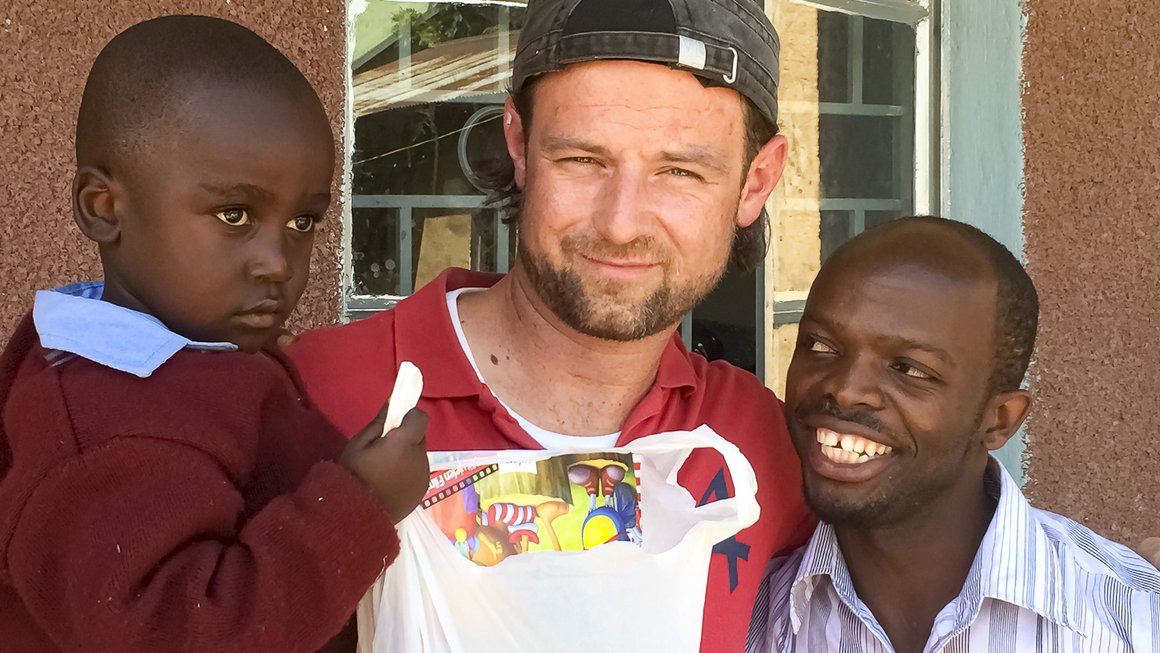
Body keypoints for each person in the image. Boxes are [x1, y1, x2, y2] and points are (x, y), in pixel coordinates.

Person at [288, 0, 814, 650]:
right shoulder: (314, 394)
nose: (621, 223)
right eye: (583, 160)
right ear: (519, 143)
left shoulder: (761, 446)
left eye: (680, 171)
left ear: (756, 181)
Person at [0, 16, 429, 653]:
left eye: (303, 221)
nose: (279, 262)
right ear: (103, 208)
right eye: (235, 215)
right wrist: (360, 503)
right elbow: (178, 633)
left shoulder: (188, 358)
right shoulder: (102, 424)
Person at [747, 216, 1160, 653]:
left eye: (908, 369)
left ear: (999, 419)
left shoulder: (1135, 624)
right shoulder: (744, 619)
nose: (846, 390)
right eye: (820, 346)